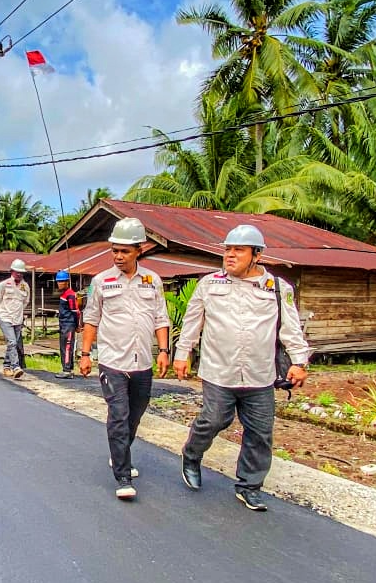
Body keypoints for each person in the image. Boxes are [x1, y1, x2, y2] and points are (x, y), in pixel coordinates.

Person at [173, 224, 311, 512]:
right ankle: (192, 454)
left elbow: (290, 328)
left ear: (256, 255)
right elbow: (192, 322)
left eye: (238, 250)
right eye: (228, 249)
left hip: (259, 376)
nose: (230, 255)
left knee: (260, 432)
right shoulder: (210, 284)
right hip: (218, 372)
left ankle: (249, 486)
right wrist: (182, 353)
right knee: (214, 420)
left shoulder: (277, 289)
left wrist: (299, 361)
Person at [78, 218, 170, 501]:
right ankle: (122, 475)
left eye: (125, 251)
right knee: (118, 415)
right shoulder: (100, 281)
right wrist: (85, 354)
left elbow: (160, 317)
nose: (118, 256)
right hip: (112, 361)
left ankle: (120, 451)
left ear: (138, 250)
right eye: (115, 251)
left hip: (142, 361)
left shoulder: (152, 280)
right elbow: (91, 319)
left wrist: (164, 350)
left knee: (135, 413)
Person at [0, 258, 30, 378]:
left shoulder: (25, 287)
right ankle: (16, 367)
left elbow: (26, 302)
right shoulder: (4, 284)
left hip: (18, 318)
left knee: (12, 344)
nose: (19, 274)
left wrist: (19, 312)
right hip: (5, 317)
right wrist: (1, 312)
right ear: (12, 271)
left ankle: (6, 366)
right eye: (17, 271)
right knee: (12, 342)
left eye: (21, 272)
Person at [54, 270, 80, 379]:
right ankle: (67, 367)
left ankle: (67, 370)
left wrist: (77, 325)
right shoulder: (63, 295)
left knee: (67, 347)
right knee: (63, 347)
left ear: (67, 282)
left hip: (69, 325)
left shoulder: (70, 295)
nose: (60, 284)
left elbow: (75, 311)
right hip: (63, 324)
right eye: (58, 282)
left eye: (62, 281)